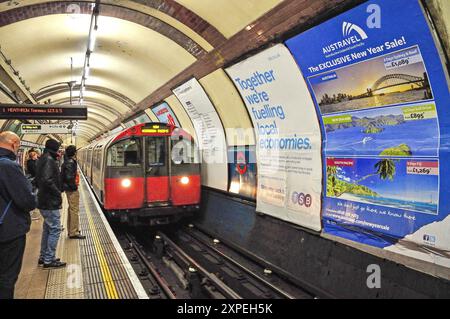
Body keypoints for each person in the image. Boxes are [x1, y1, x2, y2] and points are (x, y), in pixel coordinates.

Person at [0, 132, 37, 299]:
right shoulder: (9, 166)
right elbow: (26, 200)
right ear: (14, 144)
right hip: (8, 231)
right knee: (7, 278)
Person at [35, 139, 66, 269]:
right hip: (49, 201)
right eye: (58, 148)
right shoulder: (49, 160)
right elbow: (47, 180)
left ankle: (43, 257)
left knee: (47, 229)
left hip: (44, 200)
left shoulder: (43, 158)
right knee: (55, 229)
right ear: (54, 148)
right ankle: (49, 259)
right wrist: (58, 192)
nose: (59, 150)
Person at [61, 145, 85, 240]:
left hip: (68, 188)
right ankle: (74, 232)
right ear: (74, 153)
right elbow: (69, 177)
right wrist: (74, 187)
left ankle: (71, 230)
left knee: (71, 209)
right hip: (71, 189)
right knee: (74, 210)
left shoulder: (67, 161)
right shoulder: (70, 162)